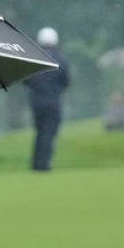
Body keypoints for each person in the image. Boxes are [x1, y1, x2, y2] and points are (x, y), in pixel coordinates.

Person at [26, 27, 70, 171]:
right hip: (53, 102)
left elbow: (26, 79)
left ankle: (36, 163)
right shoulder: (61, 59)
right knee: (49, 132)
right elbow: (66, 81)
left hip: (36, 102)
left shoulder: (34, 56)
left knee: (39, 132)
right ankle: (44, 164)